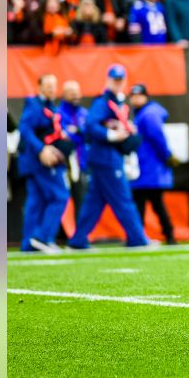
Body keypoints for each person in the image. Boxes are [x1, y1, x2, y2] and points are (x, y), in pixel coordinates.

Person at [68, 65, 151, 249]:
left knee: (94, 202)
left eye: (120, 80)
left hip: (105, 157)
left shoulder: (118, 101)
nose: (118, 83)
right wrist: (111, 135)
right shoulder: (103, 102)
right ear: (108, 80)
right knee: (123, 198)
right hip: (106, 157)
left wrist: (126, 129)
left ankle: (78, 239)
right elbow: (90, 125)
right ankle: (138, 238)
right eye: (115, 80)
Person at [16, 74, 73, 252]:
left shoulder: (51, 107)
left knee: (36, 202)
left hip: (34, 162)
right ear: (39, 87)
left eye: (54, 86)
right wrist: (42, 149)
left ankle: (29, 244)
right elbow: (25, 130)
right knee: (59, 196)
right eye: (48, 85)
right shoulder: (34, 105)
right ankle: (43, 237)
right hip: (39, 161)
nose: (51, 89)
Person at [128, 83, 177, 244]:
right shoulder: (145, 113)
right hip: (146, 168)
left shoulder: (148, 114)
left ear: (145, 96)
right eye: (133, 96)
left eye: (139, 96)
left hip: (149, 168)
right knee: (152, 204)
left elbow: (157, 137)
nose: (135, 99)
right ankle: (165, 235)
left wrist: (166, 155)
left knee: (147, 204)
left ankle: (162, 235)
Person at [58, 79, 89, 237]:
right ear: (64, 94)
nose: (75, 95)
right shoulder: (58, 113)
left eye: (77, 91)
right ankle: (49, 237)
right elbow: (61, 136)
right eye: (71, 92)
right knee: (58, 199)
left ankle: (80, 237)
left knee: (82, 201)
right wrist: (77, 133)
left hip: (81, 163)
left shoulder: (84, 113)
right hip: (63, 163)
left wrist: (75, 132)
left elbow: (88, 134)